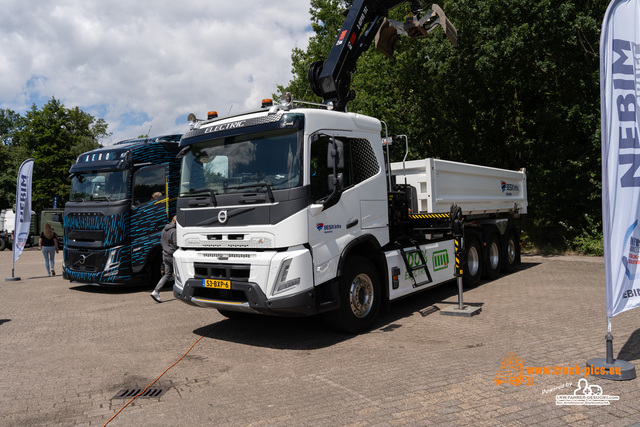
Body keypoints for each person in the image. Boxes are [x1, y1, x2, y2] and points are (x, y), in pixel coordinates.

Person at [151, 216, 178, 303]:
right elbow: (176, 244)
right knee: (180, 274)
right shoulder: (174, 231)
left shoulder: (164, 229)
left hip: (165, 254)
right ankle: (182, 292)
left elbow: (162, 242)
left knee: (167, 274)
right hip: (172, 255)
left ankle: (156, 291)